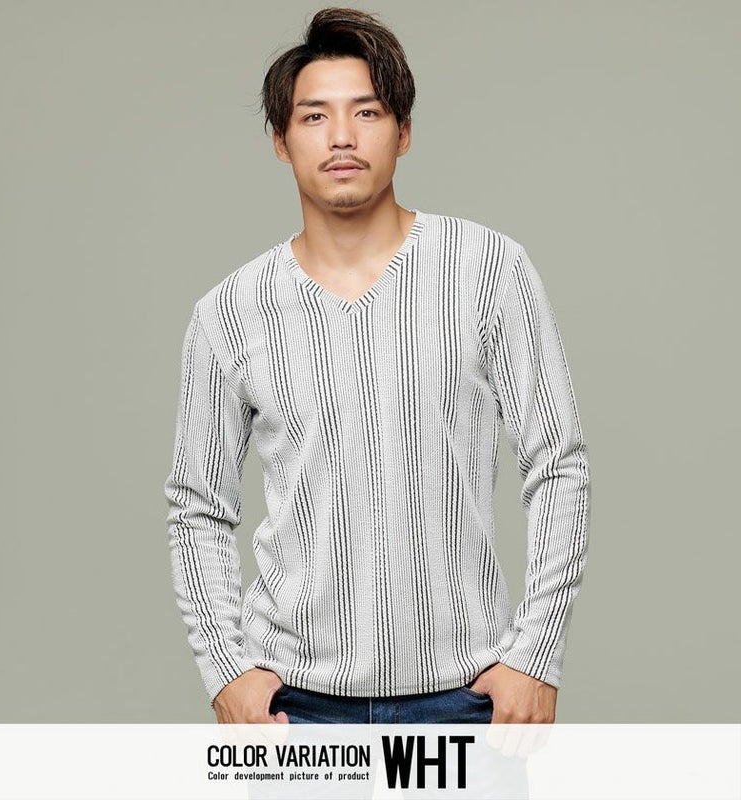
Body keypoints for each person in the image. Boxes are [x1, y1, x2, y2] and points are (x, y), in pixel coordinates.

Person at [164, 7, 591, 726]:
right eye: (314, 117)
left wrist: (536, 655)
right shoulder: (229, 313)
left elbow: (558, 464)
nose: (342, 137)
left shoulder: (487, 270)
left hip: (466, 695)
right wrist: (226, 672)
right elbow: (197, 505)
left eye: (367, 112)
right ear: (280, 141)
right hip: (293, 707)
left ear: (404, 132)